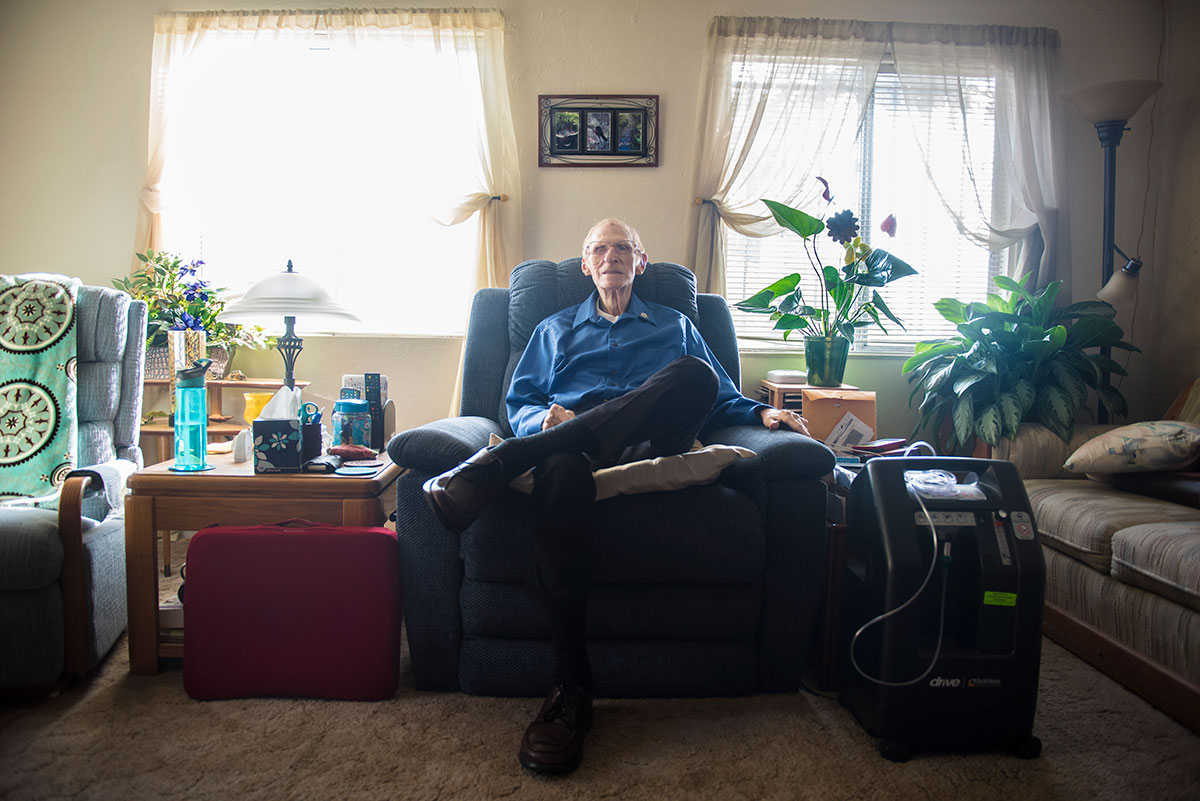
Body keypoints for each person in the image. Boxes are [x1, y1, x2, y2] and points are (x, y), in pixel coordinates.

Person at [423, 219, 811, 775]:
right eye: (600, 248)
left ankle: (501, 463)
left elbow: (720, 395)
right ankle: (571, 689)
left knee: (695, 375)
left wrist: (762, 413)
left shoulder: (676, 324)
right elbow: (520, 402)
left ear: (641, 262)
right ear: (586, 265)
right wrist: (543, 421)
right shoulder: (553, 329)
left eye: (623, 247)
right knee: (559, 464)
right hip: (572, 450)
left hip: (653, 438)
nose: (612, 256)